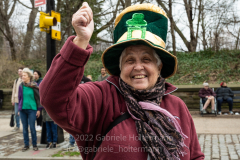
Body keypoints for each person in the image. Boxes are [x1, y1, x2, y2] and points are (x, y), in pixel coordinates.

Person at [40, 3, 204, 160]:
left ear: (159, 66)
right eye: (129, 60)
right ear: (120, 67)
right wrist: (80, 41)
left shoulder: (177, 106)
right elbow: (54, 100)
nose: (138, 67)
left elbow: (195, 156)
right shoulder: (101, 98)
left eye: (146, 59)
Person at [63, 75, 91, 151]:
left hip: (83, 107)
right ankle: (71, 143)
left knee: (82, 126)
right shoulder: (71, 79)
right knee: (72, 125)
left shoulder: (86, 80)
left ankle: (81, 145)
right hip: (72, 106)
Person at [18, 68, 41, 152]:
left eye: (24, 75)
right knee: (24, 128)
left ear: (28, 76)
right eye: (22, 75)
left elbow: (38, 99)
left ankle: (34, 144)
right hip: (23, 109)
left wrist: (39, 109)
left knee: (32, 127)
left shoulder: (34, 85)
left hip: (32, 109)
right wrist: (18, 109)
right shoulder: (21, 85)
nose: (22, 76)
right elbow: (19, 98)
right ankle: (26, 144)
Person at [11, 67, 23, 132]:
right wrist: (12, 100)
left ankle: (25, 126)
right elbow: (14, 90)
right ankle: (17, 126)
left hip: (23, 100)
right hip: (16, 100)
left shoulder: (25, 80)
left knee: (22, 113)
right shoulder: (16, 80)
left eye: (21, 71)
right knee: (16, 113)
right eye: (18, 71)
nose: (19, 72)